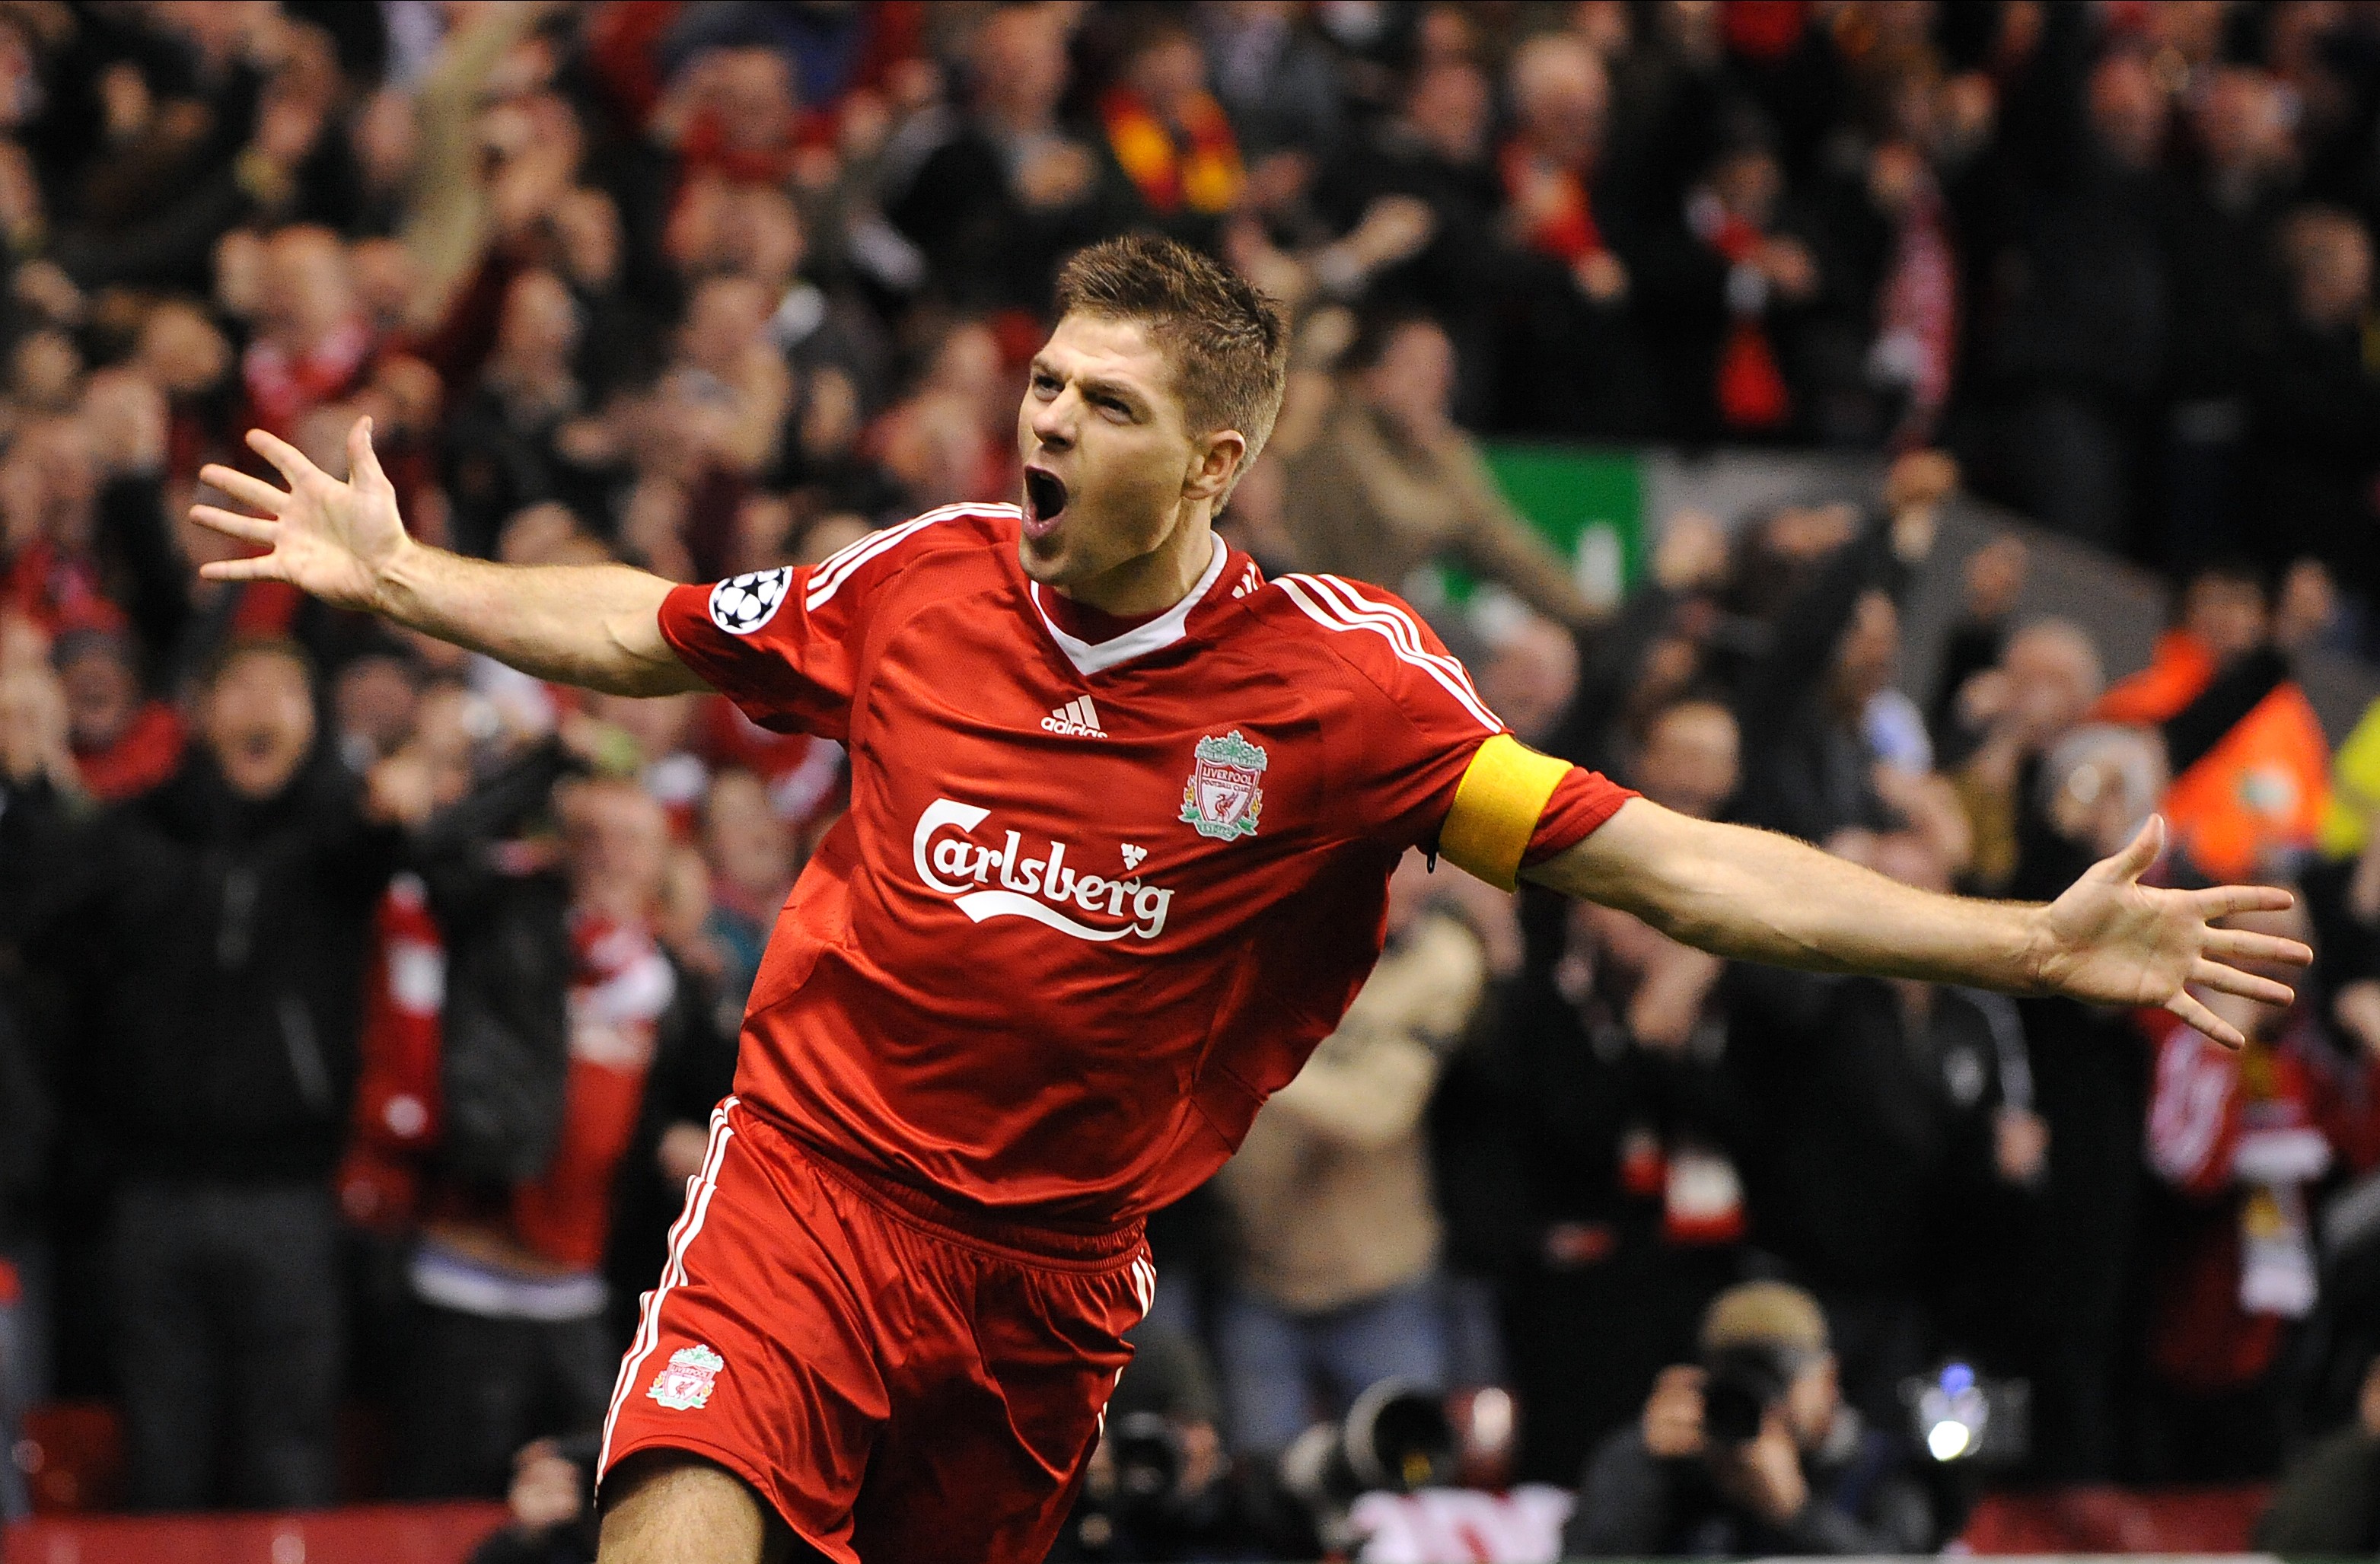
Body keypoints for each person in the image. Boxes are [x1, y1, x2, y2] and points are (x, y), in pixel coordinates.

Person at [190, 234, 2305, 1564]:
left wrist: (2024, 937)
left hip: (1050, 1277)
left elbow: (1681, 870)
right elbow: (649, 625)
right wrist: (405, 579)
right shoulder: (919, 578)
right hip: (807, 1184)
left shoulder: (1345, 694)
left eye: (1103, 406)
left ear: (1210, 465)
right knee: (672, 1519)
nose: (1043, 421)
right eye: (1044, 381)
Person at [1566, 1280, 1935, 1556]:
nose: (1762, 1400)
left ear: (1827, 1379)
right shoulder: (1670, 1460)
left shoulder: (1880, 1469)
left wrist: (1798, 1514)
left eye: (1779, 1377)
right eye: (1739, 1377)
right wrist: (1643, 1468)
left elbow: (1903, 1559)